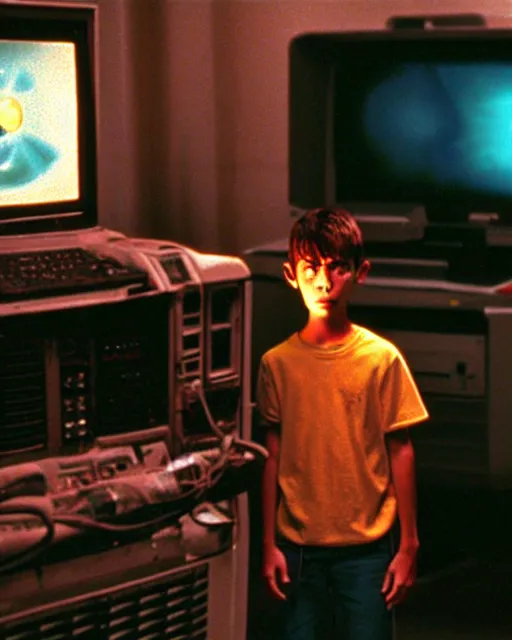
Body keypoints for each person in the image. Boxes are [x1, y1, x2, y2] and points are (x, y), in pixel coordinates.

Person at [257, 207, 429, 640]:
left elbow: (400, 449)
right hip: (298, 547)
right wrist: (267, 545)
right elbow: (271, 455)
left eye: (336, 268)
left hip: (367, 548)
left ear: (359, 272)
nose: (323, 281)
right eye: (311, 268)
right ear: (291, 274)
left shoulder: (380, 359)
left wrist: (408, 545)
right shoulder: (277, 364)